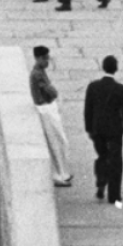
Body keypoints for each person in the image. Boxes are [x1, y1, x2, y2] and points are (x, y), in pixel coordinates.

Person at [84, 55, 123, 208]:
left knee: (102, 156)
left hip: (97, 130)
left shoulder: (92, 86)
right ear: (116, 69)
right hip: (114, 131)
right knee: (116, 162)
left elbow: (88, 109)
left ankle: (101, 181)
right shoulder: (120, 89)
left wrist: (89, 128)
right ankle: (114, 195)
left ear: (103, 67)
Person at [31, 46, 73, 186]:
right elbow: (51, 92)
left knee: (58, 141)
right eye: (45, 58)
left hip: (46, 108)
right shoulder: (37, 74)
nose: (47, 61)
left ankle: (62, 172)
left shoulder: (39, 72)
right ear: (38, 58)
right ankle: (60, 174)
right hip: (45, 109)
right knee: (56, 141)